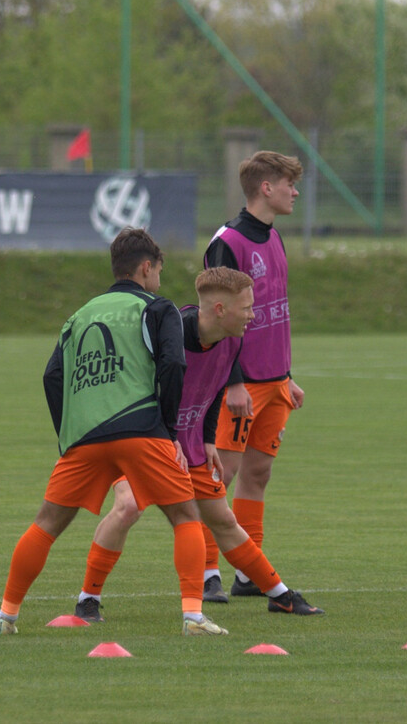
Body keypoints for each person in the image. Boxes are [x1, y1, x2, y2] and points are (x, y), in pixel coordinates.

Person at [0, 228, 228, 637]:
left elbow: (52, 376)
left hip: (83, 438)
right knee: (186, 515)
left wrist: (68, 434)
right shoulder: (159, 308)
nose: (158, 280)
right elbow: (174, 365)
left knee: (46, 523)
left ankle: (5, 616)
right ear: (145, 268)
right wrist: (170, 430)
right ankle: (193, 616)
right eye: (157, 271)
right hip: (141, 429)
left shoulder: (79, 315)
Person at [73, 267, 324, 624]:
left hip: (188, 445)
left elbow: (218, 386)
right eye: (247, 308)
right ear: (219, 309)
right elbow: (137, 390)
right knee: (128, 507)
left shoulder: (233, 337)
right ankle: (87, 601)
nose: (254, 315)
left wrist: (207, 440)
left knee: (222, 520)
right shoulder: (167, 334)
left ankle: (279, 595)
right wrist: (165, 438)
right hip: (141, 440)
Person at [202, 150, 304, 599]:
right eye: (288, 184)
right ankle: (208, 574)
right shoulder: (227, 242)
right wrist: (235, 381)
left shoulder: (275, 238)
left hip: (275, 382)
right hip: (241, 385)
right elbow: (216, 317)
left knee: (257, 474)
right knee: (219, 477)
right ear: (266, 187)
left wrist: (287, 375)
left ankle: (248, 574)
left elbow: (273, 313)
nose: (294, 191)